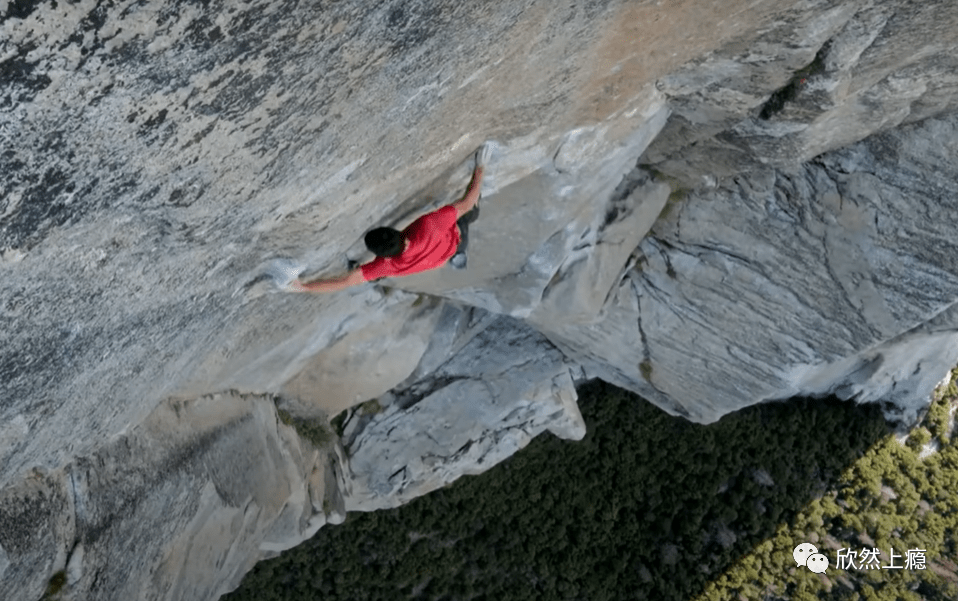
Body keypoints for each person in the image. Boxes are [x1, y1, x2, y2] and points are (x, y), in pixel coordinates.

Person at [289, 145, 490, 294]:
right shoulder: (430, 225)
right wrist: (480, 167)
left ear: (383, 256)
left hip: (435, 260)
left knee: (370, 274)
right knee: (468, 216)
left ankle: (456, 258)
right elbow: (467, 202)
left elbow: (345, 282)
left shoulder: (387, 265)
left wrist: (303, 286)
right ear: (396, 232)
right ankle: (459, 257)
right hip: (449, 244)